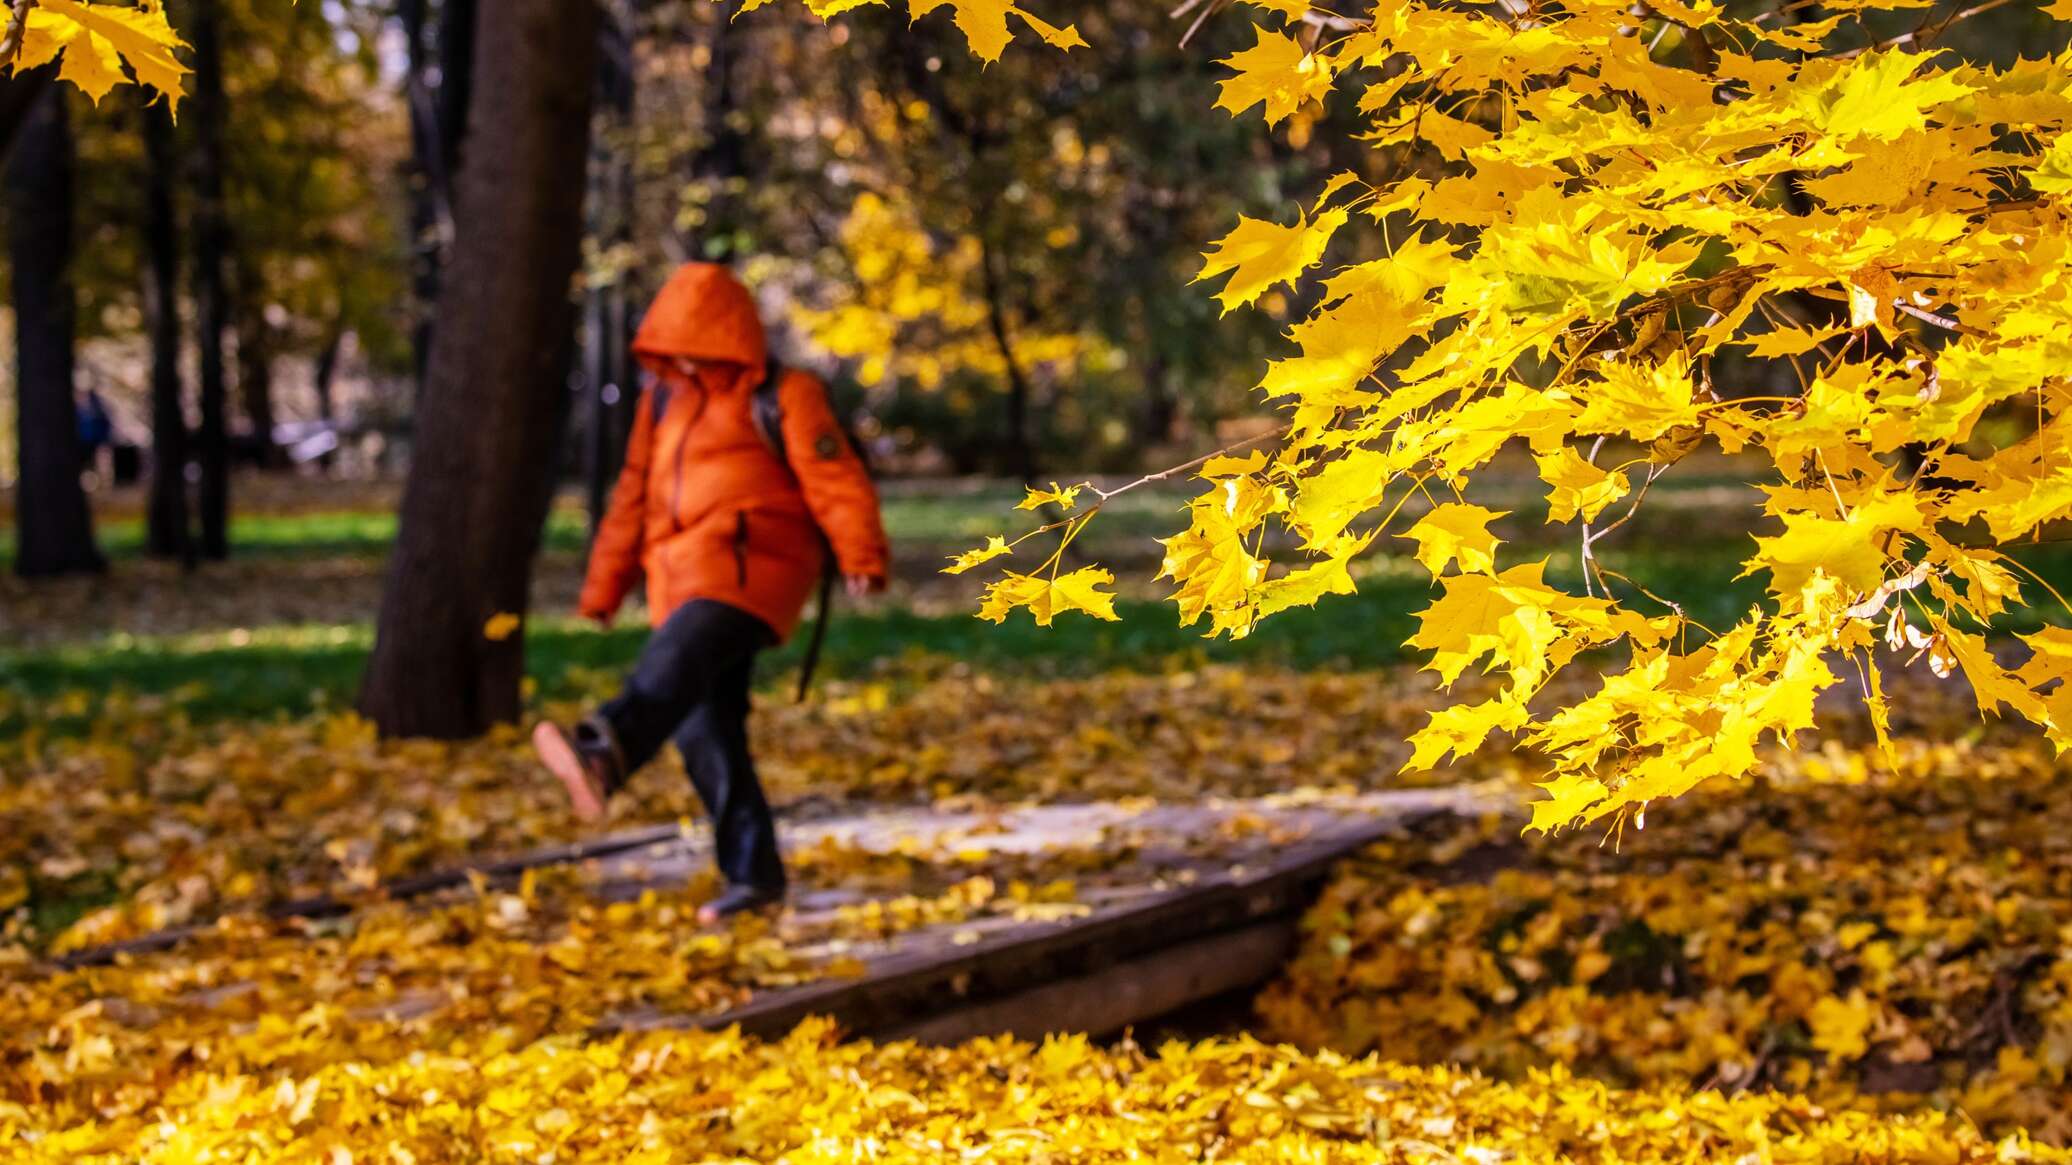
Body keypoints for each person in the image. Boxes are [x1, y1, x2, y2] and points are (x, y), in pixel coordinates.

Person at [534, 263, 889, 924]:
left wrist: (861, 553)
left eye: (696, 340)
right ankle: (753, 878)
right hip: (678, 576)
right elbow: (633, 495)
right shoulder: (662, 402)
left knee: (675, 663)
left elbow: (833, 476)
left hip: (754, 570)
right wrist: (604, 585)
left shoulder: (786, 393)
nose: (687, 356)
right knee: (707, 730)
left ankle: (604, 749)